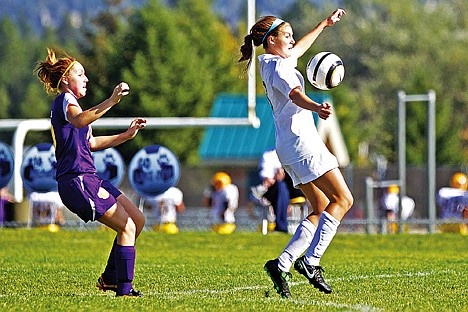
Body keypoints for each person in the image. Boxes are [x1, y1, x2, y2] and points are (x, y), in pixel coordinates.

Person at [239, 9, 353, 298]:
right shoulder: (279, 68)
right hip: (303, 144)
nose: (292, 40)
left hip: (289, 146)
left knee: (319, 207)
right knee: (343, 200)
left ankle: (282, 263)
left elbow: (301, 47)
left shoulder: (273, 61)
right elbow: (294, 95)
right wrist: (318, 107)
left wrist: (324, 25)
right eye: (287, 35)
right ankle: (311, 261)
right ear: (272, 40)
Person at [35, 48, 147, 297]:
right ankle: (124, 289)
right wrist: (111, 101)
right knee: (127, 226)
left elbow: (91, 143)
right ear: (65, 80)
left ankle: (109, 278)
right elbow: (79, 121)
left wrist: (126, 135)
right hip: (77, 181)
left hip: (89, 178)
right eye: (81, 74)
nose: (86, 79)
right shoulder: (66, 101)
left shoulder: (74, 107)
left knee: (137, 220)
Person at [251, 148, 290, 233]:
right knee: (281, 187)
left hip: (295, 187)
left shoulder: (295, 152)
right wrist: (277, 177)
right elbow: (267, 180)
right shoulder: (269, 155)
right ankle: (281, 227)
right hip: (275, 189)